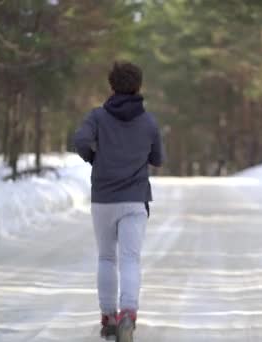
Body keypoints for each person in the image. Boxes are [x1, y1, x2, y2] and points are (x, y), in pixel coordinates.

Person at [73, 61, 164, 341]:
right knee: (130, 259)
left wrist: (94, 158)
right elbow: (158, 159)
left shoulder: (98, 117)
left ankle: (108, 317)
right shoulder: (148, 121)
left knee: (106, 257)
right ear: (138, 86)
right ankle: (128, 314)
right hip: (135, 200)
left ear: (112, 86)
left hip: (103, 199)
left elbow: (80, 140)